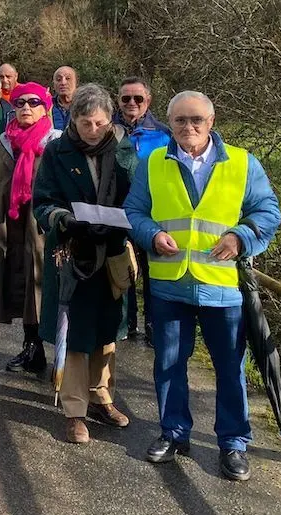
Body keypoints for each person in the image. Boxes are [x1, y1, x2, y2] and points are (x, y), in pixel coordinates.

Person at [124, 91, 281, 481]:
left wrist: (242, 236)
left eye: (196, 120)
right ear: (170, 123)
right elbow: (134, 211)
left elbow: (268, 211)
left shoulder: (243, 163)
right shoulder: (152, 162)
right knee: (169, 364)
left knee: (230, 368)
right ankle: (174, 432)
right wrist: (150, 235)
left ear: (211, 122)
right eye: (179, 120)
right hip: (169, 285)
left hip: (223, 287)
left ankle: (233, 443)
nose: (188, 127)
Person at [33, 84, 138, 444]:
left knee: (108, 328)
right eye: (85, 123)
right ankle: (75, 410)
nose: (93, 130)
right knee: (76, 330)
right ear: (72, 120)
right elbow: (42, 202)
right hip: (72, 249)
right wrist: (64, 219)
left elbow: (138, 198)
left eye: (99, 123)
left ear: (110, 120)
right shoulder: (56, 152)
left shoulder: (124, 152)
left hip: (112, 249)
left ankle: (101, 395)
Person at [0, 82, 61, 373]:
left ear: (45, 107)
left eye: (34, 102)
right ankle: (31, 347)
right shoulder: (3, 142)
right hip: (10, 226)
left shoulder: (56, 143)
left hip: (43, 228)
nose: (26, 108)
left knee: (41, 286)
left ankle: (57, 354)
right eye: (20, 103)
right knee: (19, 286)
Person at [113, 76, 172, 345]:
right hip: (118, 208)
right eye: (126, 98)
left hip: (153, 212)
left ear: (148, 101)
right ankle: (125, 325)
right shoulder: (107, 129)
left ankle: (152, 326)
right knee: (122, 268)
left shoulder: (162, 133)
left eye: (138, 98)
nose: (131, 103)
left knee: (152, 270)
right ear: (118, 100)